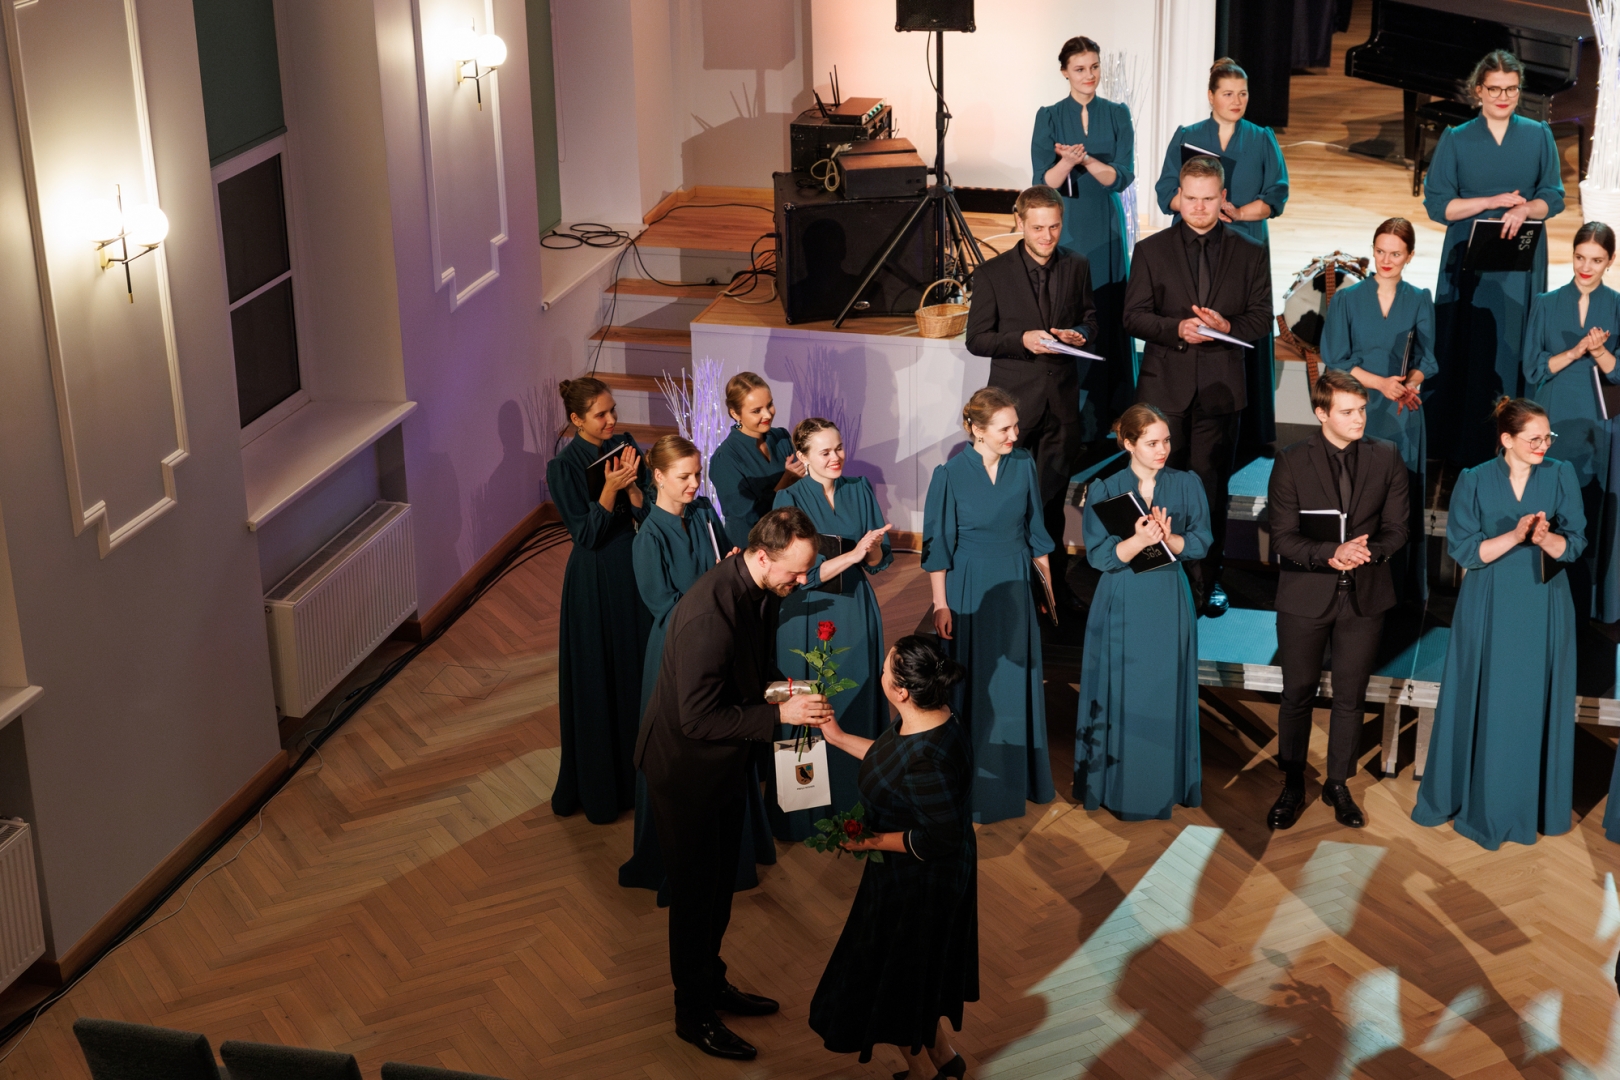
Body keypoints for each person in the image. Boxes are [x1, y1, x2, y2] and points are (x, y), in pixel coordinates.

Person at [634, 507, 834, 1060]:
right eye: (796, 571)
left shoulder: (762, 588)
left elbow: (747, 671)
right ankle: (692, 1014)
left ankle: (711, 982)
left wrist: (786, 689)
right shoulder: (709, 615)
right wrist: (781, 715)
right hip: (685, 773)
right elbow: (697, 718)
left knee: (719, 887)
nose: (802, 581)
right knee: (695, 899)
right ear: (762, 556)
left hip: (722, 764)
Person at [1414, 398, 1583, 850]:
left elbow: (1575, 544)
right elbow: (1467, 552)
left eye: (1548, 437)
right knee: (1483, 696)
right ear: (1507, 439)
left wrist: (1546, 538)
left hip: (1543, 601)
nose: (1543, 446)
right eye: (1534, 439)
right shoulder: (1474, 479)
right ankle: (1472, 800)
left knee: (1529, 703)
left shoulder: (1561, 474)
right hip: (1488, 603)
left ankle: (1529, 807)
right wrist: (1515, 534)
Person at [808, 636, 976, 1078]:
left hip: (919, 885)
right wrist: (838, 737)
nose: (880, 673)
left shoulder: (927, 761)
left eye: (885, 669)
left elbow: (937, 839)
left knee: (893, 984)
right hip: (909, 874)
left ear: (901, 691)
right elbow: (891, 762)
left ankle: (924, 1074)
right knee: (910, 979)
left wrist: (868, 841)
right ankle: (946, 1061)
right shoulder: (932, 718)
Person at [619, 435, 774, 901]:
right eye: (684, 476)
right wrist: (715, 592)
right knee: (686, 746)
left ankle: (735, 853)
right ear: (658, 477)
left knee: (729, 743)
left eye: (697, 474)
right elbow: (664, 607)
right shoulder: (648, 537)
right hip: (677, 650)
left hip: (721, 639)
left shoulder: (705, 512)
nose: (694, 484)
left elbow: (729, 562)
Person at [1124, 154, 1273, 615]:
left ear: (1223, 197)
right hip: (1163, 390)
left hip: (1219, 391)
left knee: (1209, 491)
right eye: (1191, 198)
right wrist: (1176, 329)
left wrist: (1228, 326)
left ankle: (1206, 582)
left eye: (1209, 199)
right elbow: (1133, 316)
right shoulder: (1151, 250)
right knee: (1154, 489)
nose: (1199, 207)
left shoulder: (1250, 251)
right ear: (1179, 196)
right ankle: (1154, 579)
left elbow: (1262, 318)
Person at [1266, 370, 1409, 830]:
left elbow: (1397, 528)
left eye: (1362, 410)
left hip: (1364, 597)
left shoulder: (1386, 456)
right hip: (1305, 597)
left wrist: (1367, 552)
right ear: (1321, 413)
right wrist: (1332, 553)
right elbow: (1282, 537)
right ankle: (1292, 782)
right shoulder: (1291, 461)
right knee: (1297, 694)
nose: (1359, 419)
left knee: (1350, 697)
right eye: (1348, 412)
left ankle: (1338, 784)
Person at [1424, 49, 1566, 467]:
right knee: (1469, 347)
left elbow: (1553, 195)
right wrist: (1488, 202)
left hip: (1519, 258)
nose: (1503, 97)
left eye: (1511, 89)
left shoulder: (1538, 135)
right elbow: (1439, 206)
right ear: (1478, 90)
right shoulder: (1457, 138)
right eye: (1495, 89)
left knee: (1512, 344)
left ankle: (1517, 446)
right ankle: (1462, 448)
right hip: (1469, 255)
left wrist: (1525, 209)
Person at [922, 387, 1056, 824]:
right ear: (977, 430)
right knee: (975, 685)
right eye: (1004, 429)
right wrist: (940, 605)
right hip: (970, 588)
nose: (1014, 435)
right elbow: (938, 547)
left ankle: (1018, 782)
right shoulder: (949, 474)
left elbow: (1037, 535)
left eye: (1016, 426)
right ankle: (972, 785)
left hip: (1015, 584)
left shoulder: (1024, 464)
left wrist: (1046, 593)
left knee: (1015, 684)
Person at [965, 184, 1098, 611]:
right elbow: (976, 339)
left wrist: (1080, 334)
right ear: (1019, 222)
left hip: (1061, 406)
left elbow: (1090, 318)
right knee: (1008, 504)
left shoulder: (1077, 265)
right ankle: (1007, 589)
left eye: (1054, 227)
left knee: (1051, 504)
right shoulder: (992, 273)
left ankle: (1050, 590)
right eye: (1038, 228)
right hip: (1012, 410)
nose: (1047, 236)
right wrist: (1021, 339)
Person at [1075, 403, 1211, 820]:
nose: (1162, 449)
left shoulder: (1186, 483)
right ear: (1128, 443)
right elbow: (1099, 557)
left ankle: (1164, 786)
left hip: (1168, 596)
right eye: (1152, 443)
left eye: (1166, 440)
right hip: (1124, 597)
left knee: (1165, 689)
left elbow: (1201, 542)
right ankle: (1119, 788)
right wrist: (1138, 541)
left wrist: (1171, 540)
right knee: (1123, 691)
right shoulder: (1106, 488)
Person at [1155, 57, 1289, 452]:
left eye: (1242, 94)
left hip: (1244, 240)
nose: (1237, 101)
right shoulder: (1188, 135)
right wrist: (1201, 210)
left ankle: (1249, 431)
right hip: (1195, 242)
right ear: (1211, 96)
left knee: (1241, 321)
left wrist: (1238, 213)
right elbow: (1166, 191)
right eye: (1228, 93)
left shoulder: (1261, 137)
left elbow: (1277, 193)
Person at [769, 418, 893, 839]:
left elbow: (878, 562)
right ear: (802, 457)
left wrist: (870, 551)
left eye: (838, 448)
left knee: (855, 702)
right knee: (806, 710)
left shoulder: (860, 489)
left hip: (855, 611)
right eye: (824, 452)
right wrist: (853, 555)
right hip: (806, 614)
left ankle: (854, 808)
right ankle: (802, 816)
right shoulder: (787, 499)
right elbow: (799, 574)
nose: (836, 457)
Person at [546, 376, 652, 824]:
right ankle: (605, 787)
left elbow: (648, 510)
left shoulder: (625, 445)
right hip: (594, 579)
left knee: (636, 669)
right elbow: (585, 536)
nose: (611, 420)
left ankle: (640, 779)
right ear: (576, 419)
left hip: (634, 569)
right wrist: (608, 491)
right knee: (600, 675)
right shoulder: (563, 468)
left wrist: (633, 489)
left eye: (612, 410)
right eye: (601, 414)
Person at [1320, 217, 1439, 603]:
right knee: (1356, 499)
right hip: (1358, 409)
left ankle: (1399, 591)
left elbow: (1427, 360)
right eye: (1380, 252)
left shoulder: (1419, 297)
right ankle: (1350, 585)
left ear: (1410, 256)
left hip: (1403, 411)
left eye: (1396, 254)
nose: (1386, 260)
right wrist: (1381, 384)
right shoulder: (1347, 299)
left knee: (1399, 504)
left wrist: (1411, 383)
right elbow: (1335, 360)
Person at [1033, 34, 1136, 425]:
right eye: (1079, 69)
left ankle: (1112, 408)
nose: (1089, 75)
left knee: (1108, 306)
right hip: (1067, 222)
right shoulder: (1049, 115)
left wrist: (1086, 160)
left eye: (1094, 67)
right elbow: (1043, 183)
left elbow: (1120, 177)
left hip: (1106, 221)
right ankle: (1070, 410)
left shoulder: (1117, 113)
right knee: (1070, 307)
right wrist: (1065, 162)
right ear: (1065, 72)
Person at [1523, 221, 1620, 620]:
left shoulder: (1617, 305)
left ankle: (1584, 604)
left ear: (1610, 261)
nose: (1586, 267)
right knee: (1547, 503)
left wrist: (1598, 353)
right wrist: (1576, 351)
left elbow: (1618, 372)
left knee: (1588, 507)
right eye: (1580, 257)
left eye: (1596, 260)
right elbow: (1533, 368)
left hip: (1597, 420)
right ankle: (1538, 596)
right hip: (1553, 413)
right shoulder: (1546, 302)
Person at [709, 372, 807, 552]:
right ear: (735, 413)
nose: (767, 414)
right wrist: (786, 480)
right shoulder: (725, 458)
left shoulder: (781, 437)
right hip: (752, 549)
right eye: (756, 411)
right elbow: (748, 517)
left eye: (769, 405)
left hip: (790, 541)